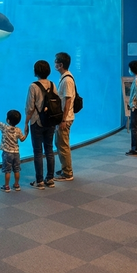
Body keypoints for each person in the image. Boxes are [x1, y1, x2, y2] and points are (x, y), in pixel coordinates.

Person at [24, 60, 57, 190]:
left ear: (36, 71)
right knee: (49, 150)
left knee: (38, 152)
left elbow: (30, 107)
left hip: (36, 122)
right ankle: (50, 179)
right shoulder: (53, 84)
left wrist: (26, 122)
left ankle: (39, 181)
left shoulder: (33, 86)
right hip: (50, 122)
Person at [0, 110, 27, 192]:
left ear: (8, 120)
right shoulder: (18, 130)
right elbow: (22, 139)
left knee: (7, 171)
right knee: (17, 170)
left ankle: (6, 186)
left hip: (7, 153)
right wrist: (26, 134)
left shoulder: (4, 127)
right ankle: (16, 185)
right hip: (16, 153)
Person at [53, 52, 76, 181]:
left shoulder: (67, 80)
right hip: (64, 117)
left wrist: (63, 120)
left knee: (63, 145)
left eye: (56, 61)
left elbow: (68, 101)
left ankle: (67, 173)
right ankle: (65, 168)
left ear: (61, 65)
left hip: (65, 118)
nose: (54, 63)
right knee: (59, 143)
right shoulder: (65, 77)